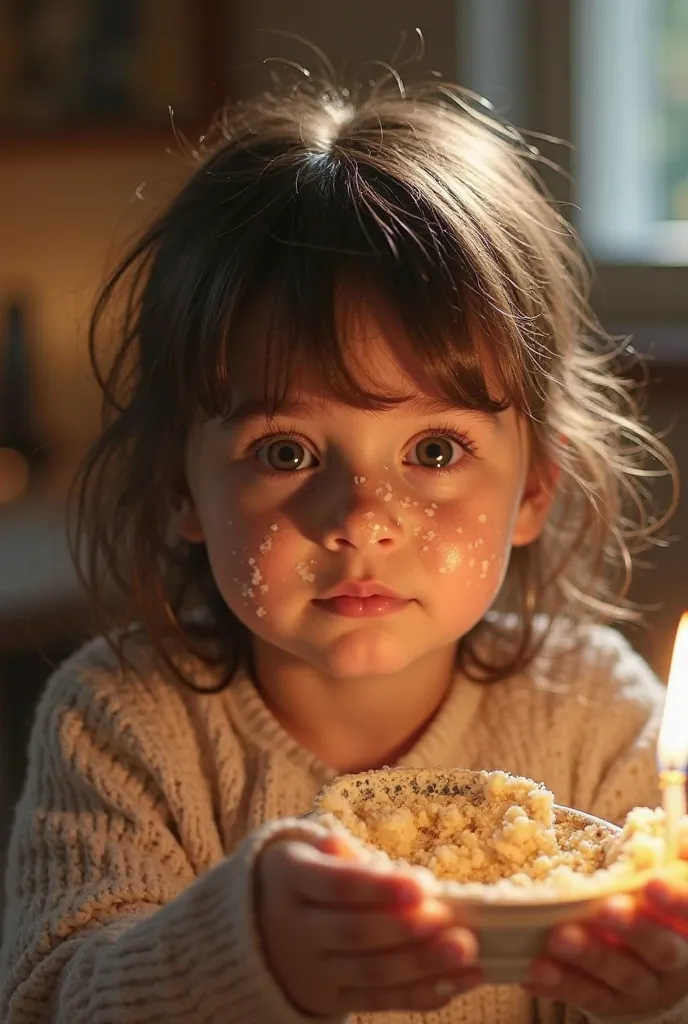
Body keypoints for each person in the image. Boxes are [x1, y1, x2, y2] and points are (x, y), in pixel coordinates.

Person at [1, 61, 687, 1024]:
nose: (362, 515)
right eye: (284, 449)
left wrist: (657, 997)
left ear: (533, 486)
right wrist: (242, 958)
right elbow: (47, 1003)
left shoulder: (601, 724)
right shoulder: (121, 730)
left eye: (434, 449)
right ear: (179, 489)